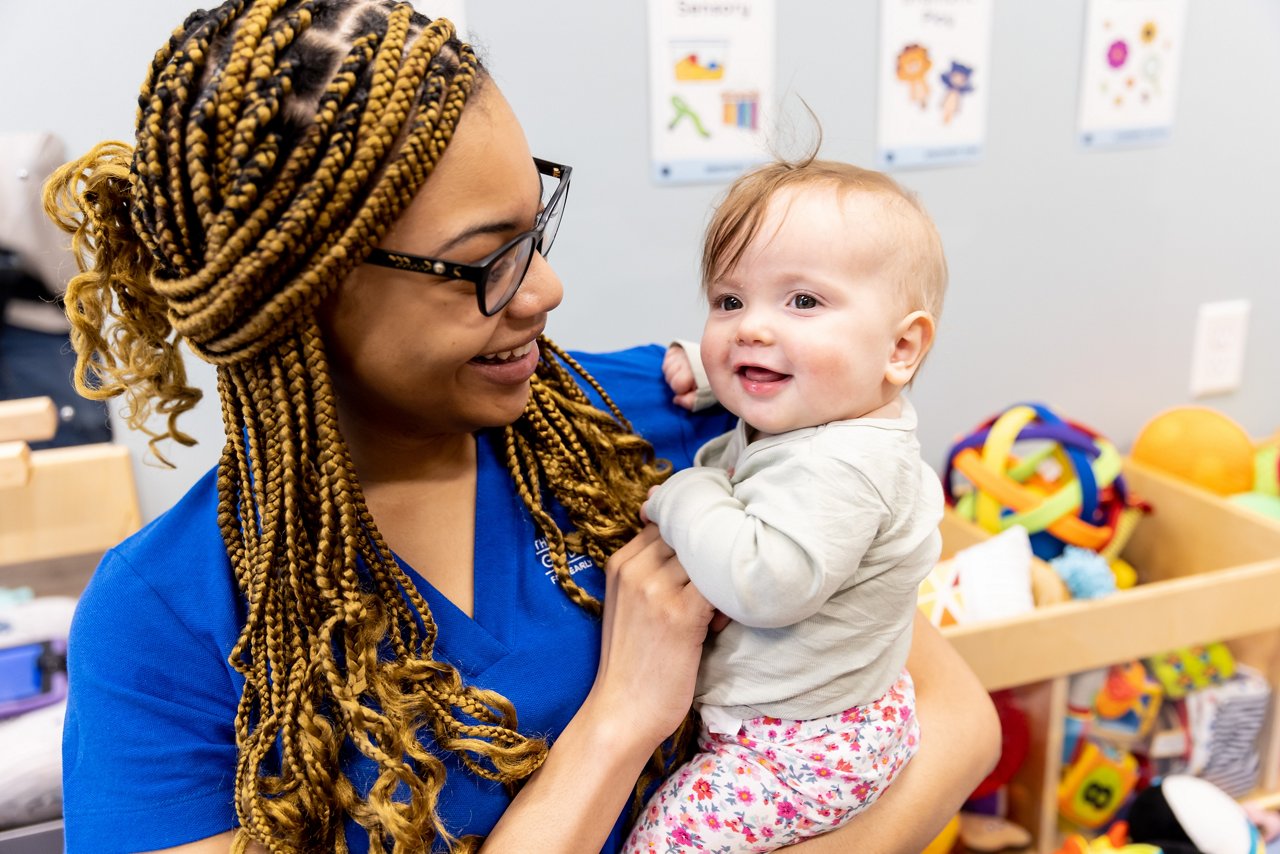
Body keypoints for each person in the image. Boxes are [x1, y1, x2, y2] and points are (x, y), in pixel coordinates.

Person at [44, 2, 999, 852]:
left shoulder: (644, 425)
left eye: (533, 228)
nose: (545, 289)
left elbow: (949, 713)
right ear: (303, 300)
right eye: (483, 264)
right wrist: (620, 721)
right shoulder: (161, 621)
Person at [624, 159, 948, 852]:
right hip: (843, 712)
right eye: (730, 301)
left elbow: (765, 582)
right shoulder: (837, 410)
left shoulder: (845, 468)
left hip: (797, 747)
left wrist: (686, 493)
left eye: (802, 302)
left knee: (663, 843)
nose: (751, 330)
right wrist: (711, 368)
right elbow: (783, 393)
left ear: (899, 347)